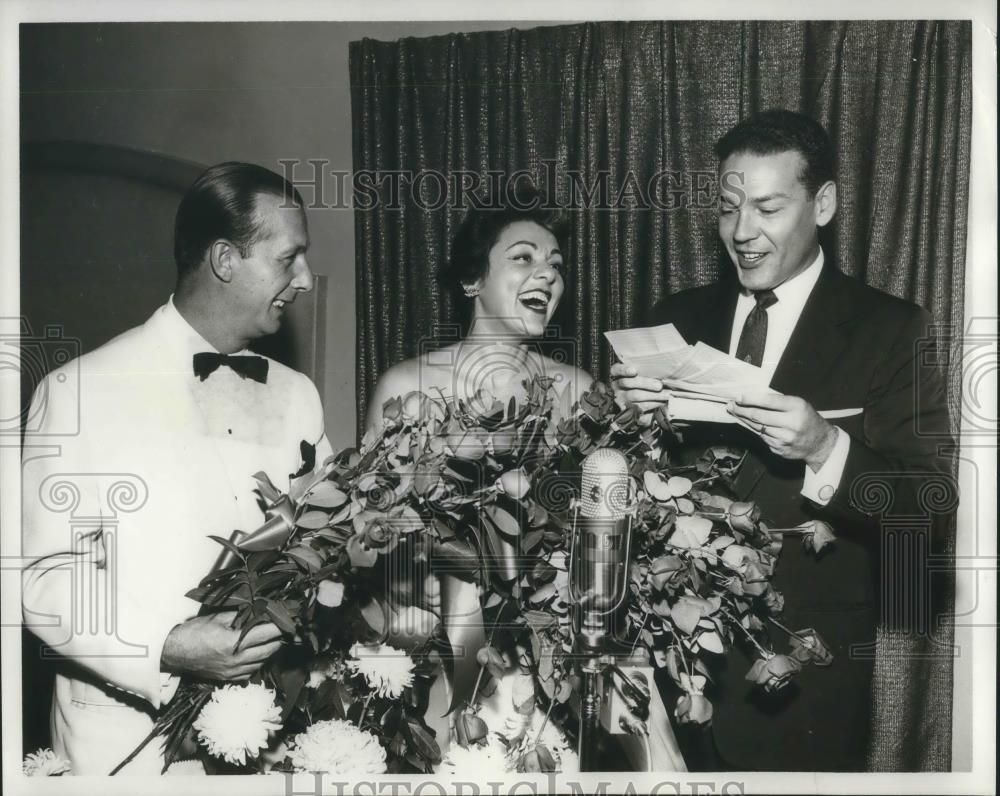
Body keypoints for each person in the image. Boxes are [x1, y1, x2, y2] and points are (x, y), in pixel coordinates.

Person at [612, 110, 953, 771]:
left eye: (768, 207)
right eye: (729, 207)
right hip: (667, 680)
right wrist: (627, 426)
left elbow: (930, 512)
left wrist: (828, 449)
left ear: (823, 203)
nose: (743, 232)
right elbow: (625, 501)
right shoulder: (674, 319)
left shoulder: (891, 329)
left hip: (806, 692)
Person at [21, 162, 332, 775]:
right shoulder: (81, 391)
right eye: (287, 258)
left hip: (267, 738)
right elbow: (44, 578)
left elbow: (320, 544)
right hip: (123, 752)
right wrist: (166, 645)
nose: (303, 280)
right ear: (224, 259)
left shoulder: (299, 396)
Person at [365, 185, 594, 760]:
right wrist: (408, 614)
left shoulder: (582, 392)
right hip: (440, 655)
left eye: (556, 265)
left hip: (556, 661)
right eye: (523, 258)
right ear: (473, 281)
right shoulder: (408, 386)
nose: (547, 274)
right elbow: (378, 530)